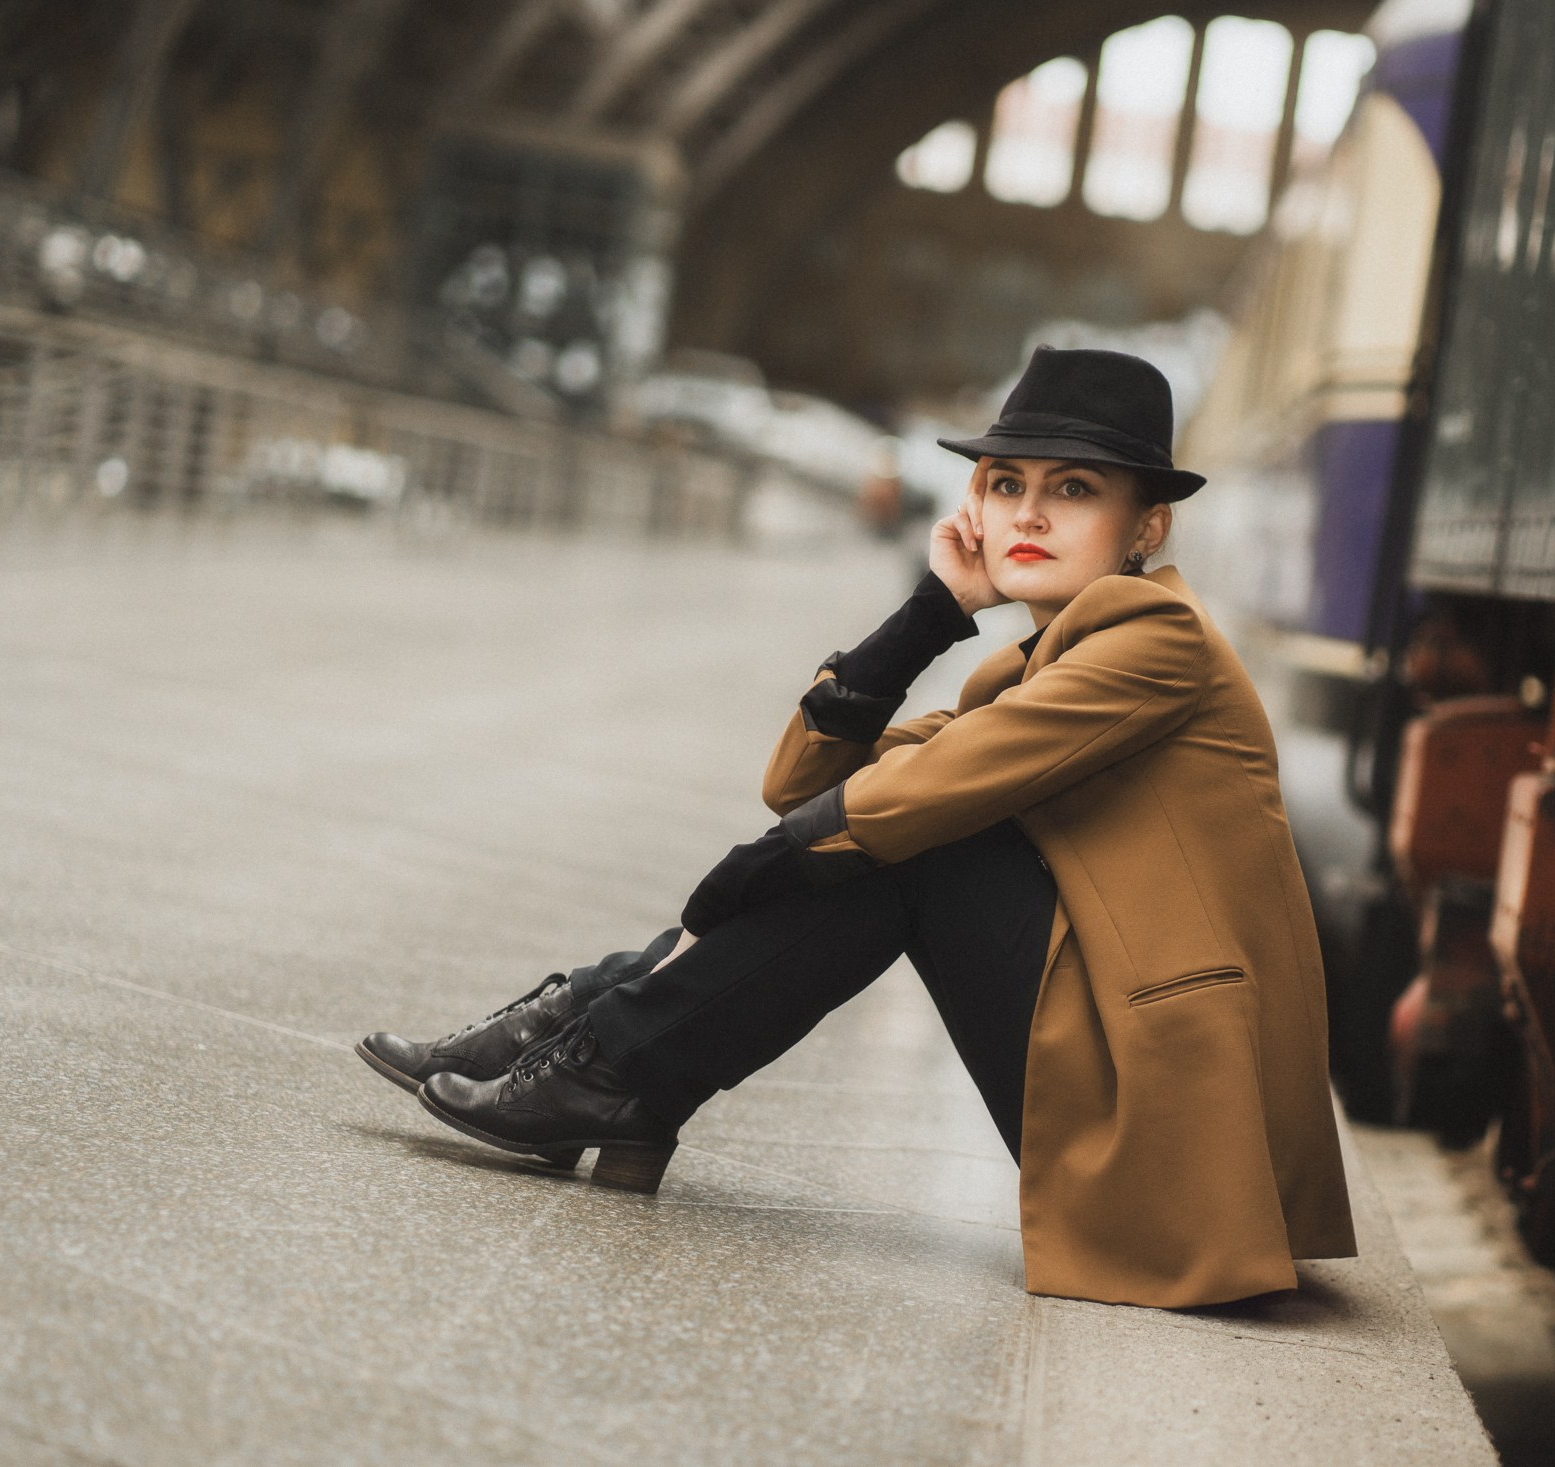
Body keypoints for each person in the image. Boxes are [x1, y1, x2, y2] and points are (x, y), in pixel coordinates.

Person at [358, 347, 1356, 1308]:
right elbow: (799, 782)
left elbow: (884, 809)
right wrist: (932, 611)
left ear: (1147, 531)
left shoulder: (1159, 646)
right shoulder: (1032, 667)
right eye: (1005, 486)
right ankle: (600, 1060)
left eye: (1076, 491)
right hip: (1140, 1092)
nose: (1028, 515)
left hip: (1180, 1144)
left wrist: (753, 874)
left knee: (909, 846)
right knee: (879, 833)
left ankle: (597, 1055)